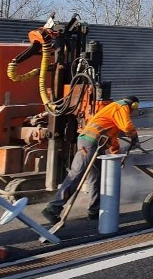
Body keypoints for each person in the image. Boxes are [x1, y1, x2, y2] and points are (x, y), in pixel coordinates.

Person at [42, 96, 140, 224]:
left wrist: (116, 156)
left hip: (94, 144)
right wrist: (134, 137)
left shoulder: (113, 110)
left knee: (96, 177)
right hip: (89, 142)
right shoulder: (121, 107)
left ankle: (94, 210)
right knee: (76, 175)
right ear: (134, 105)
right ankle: (53, 208)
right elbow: (127, 127)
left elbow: (113, 139)